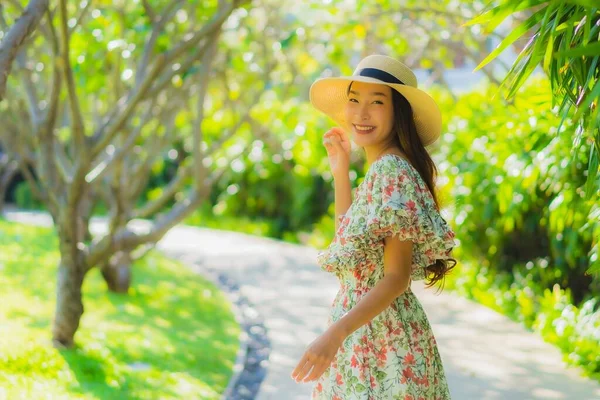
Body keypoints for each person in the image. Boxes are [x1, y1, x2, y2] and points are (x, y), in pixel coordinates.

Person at [291, 54, 457, 399]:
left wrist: (334, 336)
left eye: (376, 102)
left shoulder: (391, 170)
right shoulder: (382, 169)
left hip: (381, 342)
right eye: (354, 101)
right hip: (367, 334)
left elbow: (394, 278)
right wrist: (340, 170)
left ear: (399, 113)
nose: (361, 114)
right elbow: (351, 246)